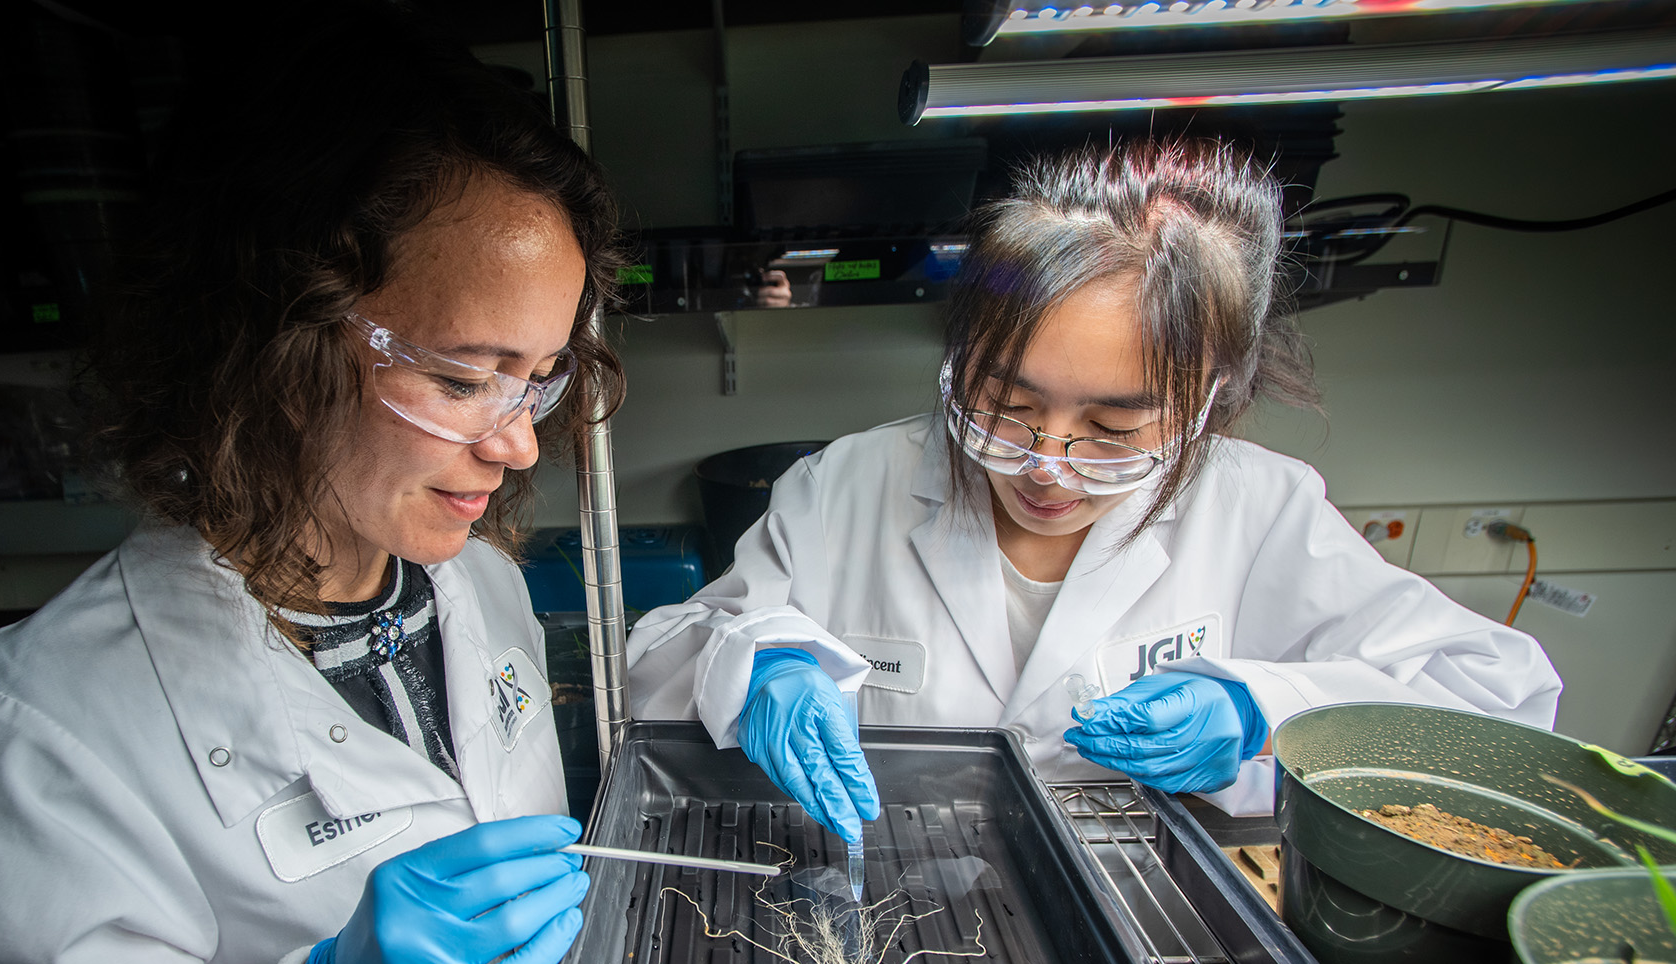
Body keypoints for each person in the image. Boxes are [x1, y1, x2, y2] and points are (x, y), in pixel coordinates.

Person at [0, 11, 623, 964]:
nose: (518, 442)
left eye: (540, 378)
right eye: (464, 379)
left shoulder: (479, 589)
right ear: (276, 341)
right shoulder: (47, 736)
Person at [628, 140, 1560, 827]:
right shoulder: (849, 483)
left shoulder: (1259, 509)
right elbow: (657, 662)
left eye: (1113, 429)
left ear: (1207, 399)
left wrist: (1264, 710)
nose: (1047, 463)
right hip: (895, 911)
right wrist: (761, 666)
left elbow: (1502, 695)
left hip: (1148, 934)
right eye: (1006, 404)